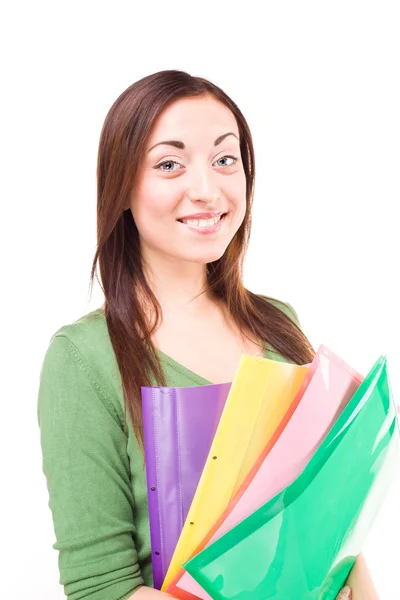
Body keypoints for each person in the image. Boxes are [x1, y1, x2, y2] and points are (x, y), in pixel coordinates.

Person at [37, 70, 379, 600]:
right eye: (169, 163)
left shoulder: (279, 326)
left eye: (225, 159)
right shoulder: (83, 359)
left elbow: (330, 524)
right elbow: (99, 587)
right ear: (122, 185)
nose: (207, 189)